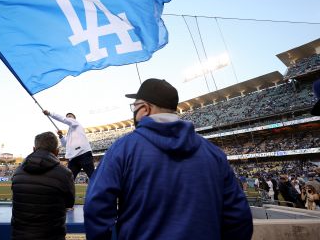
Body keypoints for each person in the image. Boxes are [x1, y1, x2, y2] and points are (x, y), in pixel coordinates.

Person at [84, 78, 253, 240]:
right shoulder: (213, 152)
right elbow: (239, 216)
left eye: (134, 107)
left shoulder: (123, 148)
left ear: (145, 108)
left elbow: (96, 207)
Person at [11, 131, 75, 240]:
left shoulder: (17, 171)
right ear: (56, 152)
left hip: (20, 235)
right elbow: (69, 203)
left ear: (34, 149)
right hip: (52, 235)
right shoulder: (65, 173)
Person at [43, 110, 94, 181]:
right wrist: (61, 136)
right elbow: (65, 144)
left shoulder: (76, 123)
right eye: (67, 117)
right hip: (73, 157)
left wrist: (50, 113)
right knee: (68, 179)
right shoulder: (69, 132)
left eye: (70, 116)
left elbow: (64, 119)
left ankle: (103, 191)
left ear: (74, 118)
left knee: (92, 176)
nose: (68, 118)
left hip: (83, 154)